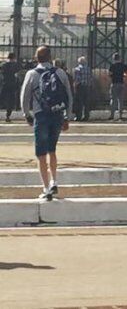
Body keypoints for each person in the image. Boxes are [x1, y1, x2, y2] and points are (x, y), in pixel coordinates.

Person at [20, 45, 73, 201]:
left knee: (41, 153)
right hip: (57, 114)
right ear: (50, 57)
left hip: (41, 115)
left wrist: (27, 114)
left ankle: (46, 188)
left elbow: (24, 96)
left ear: (37, 58)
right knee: (52, 149)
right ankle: (54, 181)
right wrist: (67, 117)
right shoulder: (60, 72)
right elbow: (69, 95)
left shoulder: (32, 73)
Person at [1, 52, 20, 122]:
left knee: (2, 99)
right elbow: (17, 75)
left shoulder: (3, 65)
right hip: (12, 85)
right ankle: (8, 115)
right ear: (14, 58)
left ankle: (6, 113)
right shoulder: (15, 65)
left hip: (4, 84)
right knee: (11, 101)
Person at [108, 52, 127, 121]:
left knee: (113, 99)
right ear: (120, 58)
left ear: (114, 59)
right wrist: (123, 77)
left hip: (114, 83)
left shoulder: (112, 66)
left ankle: (112, 115)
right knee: (121, 100)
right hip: (121, 83)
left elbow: (110, 74)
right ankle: (120, 115)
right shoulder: (123, 65)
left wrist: (113, 77)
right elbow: (126, 74)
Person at [72, 56, 93, 122]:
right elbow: (91, 78)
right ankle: (86, 116)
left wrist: (75, 86)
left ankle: (79, 116)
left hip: (80, 86)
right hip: (87, 86)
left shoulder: (77, 69)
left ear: (79, 62)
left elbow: (77, 80)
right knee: (86, 102)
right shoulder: (89, 69)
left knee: (79, 102)